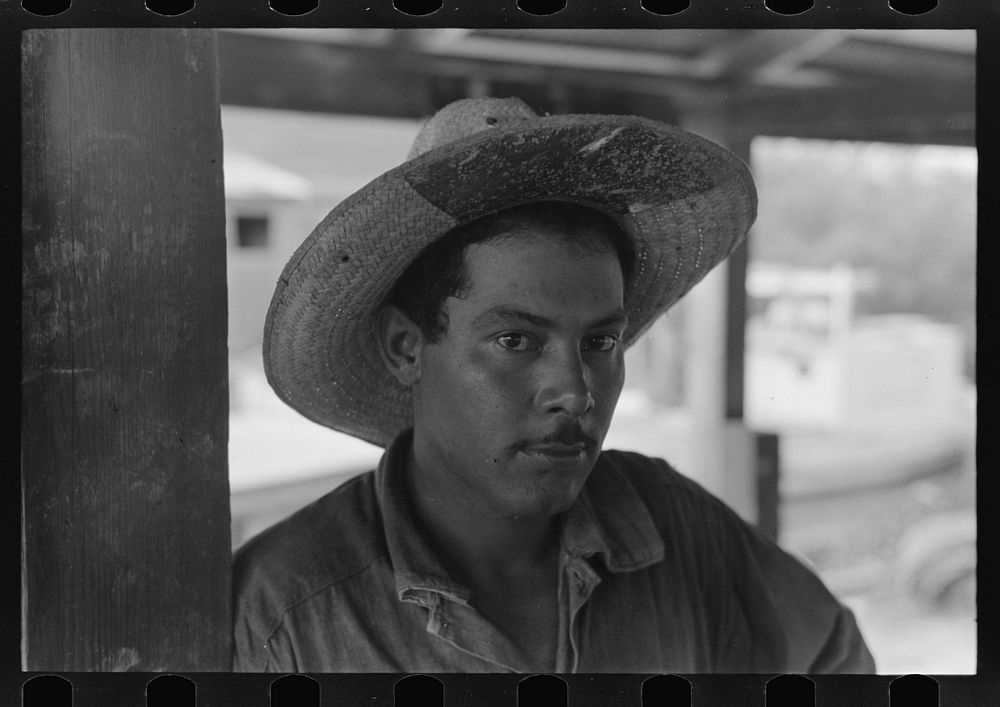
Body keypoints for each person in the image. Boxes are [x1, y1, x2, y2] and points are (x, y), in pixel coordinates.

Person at [232, 97, 876, 673]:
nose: (576, 391)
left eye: (601, 342)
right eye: (516, 341)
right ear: (407, 347)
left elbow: (834, 657)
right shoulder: (288, 612)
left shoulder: (671, 522)